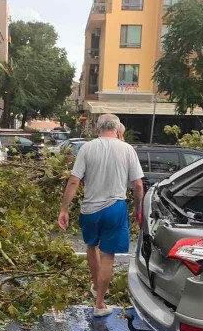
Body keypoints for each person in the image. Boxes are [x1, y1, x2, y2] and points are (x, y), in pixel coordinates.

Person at [58, 114, 145, 317]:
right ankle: (99, 304)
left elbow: (74, 181)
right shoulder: (127, 149)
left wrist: (64, 209)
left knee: (91, 246)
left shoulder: (87, 148)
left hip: (90, 209)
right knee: (108, 256)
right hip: (115, 208)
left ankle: (96, 285)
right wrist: (138, 208)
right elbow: (138, 185)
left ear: (97, 129)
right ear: (118, 129)